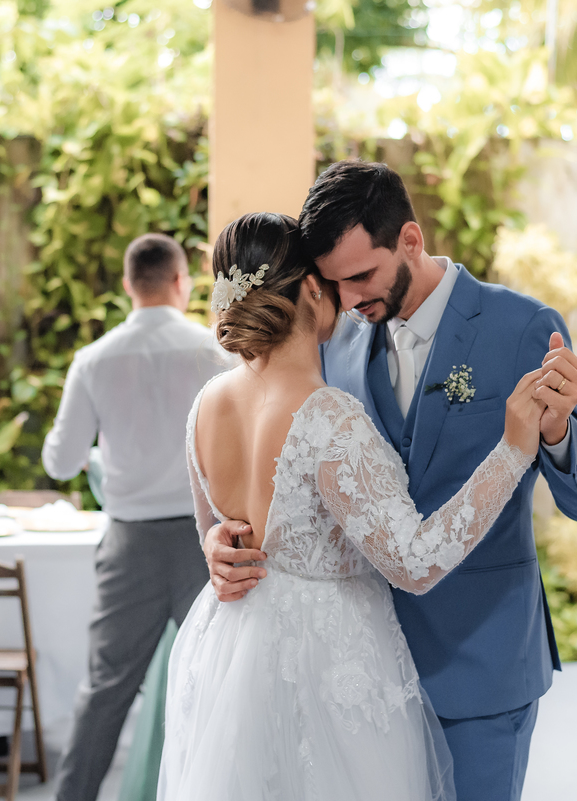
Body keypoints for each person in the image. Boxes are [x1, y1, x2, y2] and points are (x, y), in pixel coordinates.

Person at [203, 161, 577, 800]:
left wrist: (558, 435)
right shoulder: (331, 341)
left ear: (410, 240)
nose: (348, 299)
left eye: (362, 276)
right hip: (354, 674)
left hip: (479, 665)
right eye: (333, 283)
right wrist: (223, 540)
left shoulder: (522, 329)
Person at [157, 212, 548, 800]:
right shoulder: (326, 415)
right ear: (311, 289)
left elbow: (214, 532)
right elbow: (415, 562)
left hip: (232, 654)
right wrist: (513, 452)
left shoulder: (207, 404)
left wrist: (217, 547)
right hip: (328, 664)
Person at [43, 233, 233, 801]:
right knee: (221, 682)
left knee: (106, 689)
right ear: (183, 282)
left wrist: (106, 455)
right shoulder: (214, 352)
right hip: (208, 544)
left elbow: (60, 461)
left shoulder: (94, 360)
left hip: (129, 547)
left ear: (128, 286)